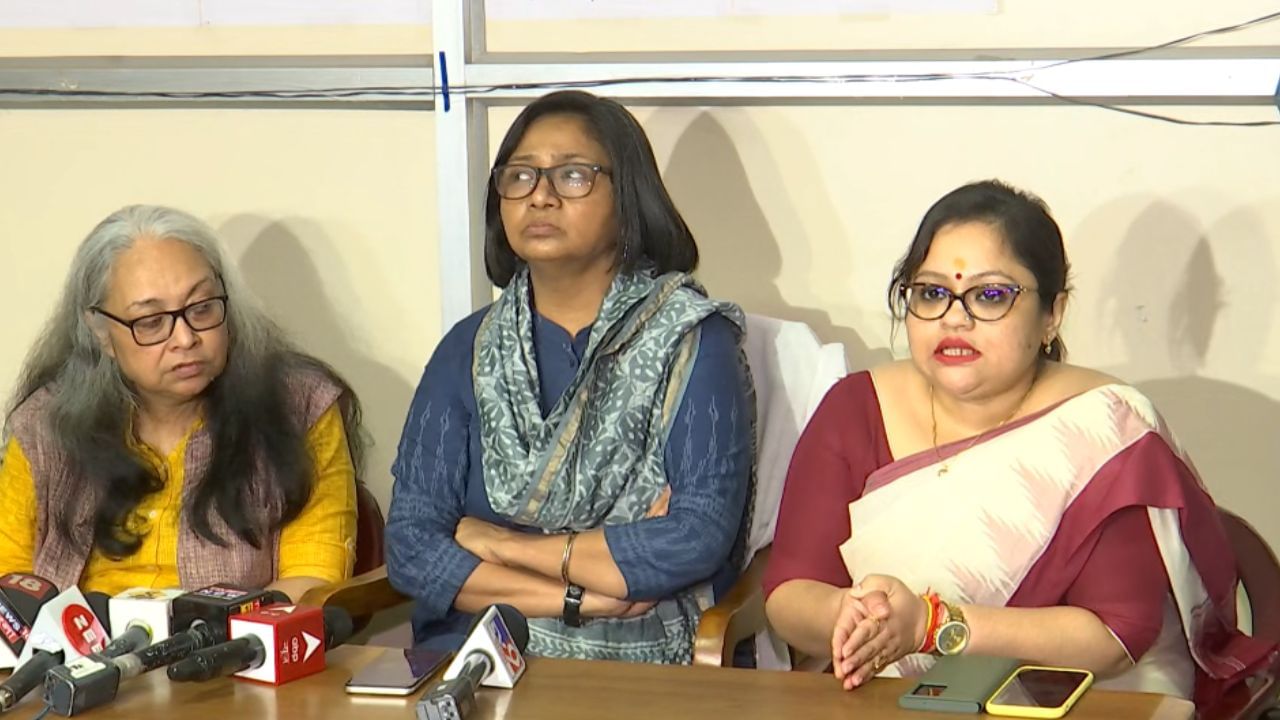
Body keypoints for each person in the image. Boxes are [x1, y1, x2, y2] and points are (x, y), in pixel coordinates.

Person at [762, 181, 1274, 706]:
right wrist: (850, 616)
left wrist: (934, 626)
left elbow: (1116, 636)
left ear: (1052, 313)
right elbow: (790, 592)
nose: (954, 318)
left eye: (990, 295)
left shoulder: (1104, 429)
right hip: (894, 696)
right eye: (931, 293)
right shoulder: (854, 409)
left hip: (1088, 699)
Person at [386, 90, 755, 664]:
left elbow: (693, 539)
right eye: (520, 176)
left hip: (646, 663)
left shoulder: (692, 340)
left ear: (628, 196)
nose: (540, 195)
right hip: (475, 650)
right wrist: (576, 598)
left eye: (573, 175)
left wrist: (501, 544)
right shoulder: (468, 348)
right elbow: (412, 545)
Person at [0, 205, 363, 602]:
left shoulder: (300, 407)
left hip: (237, 640)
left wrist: (202, 638)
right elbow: (8, 586)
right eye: (151, 321)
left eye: (202, 308)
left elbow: (312, 580)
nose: (186, 338)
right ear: (101, 332)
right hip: (78, 641)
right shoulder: (44, 427)